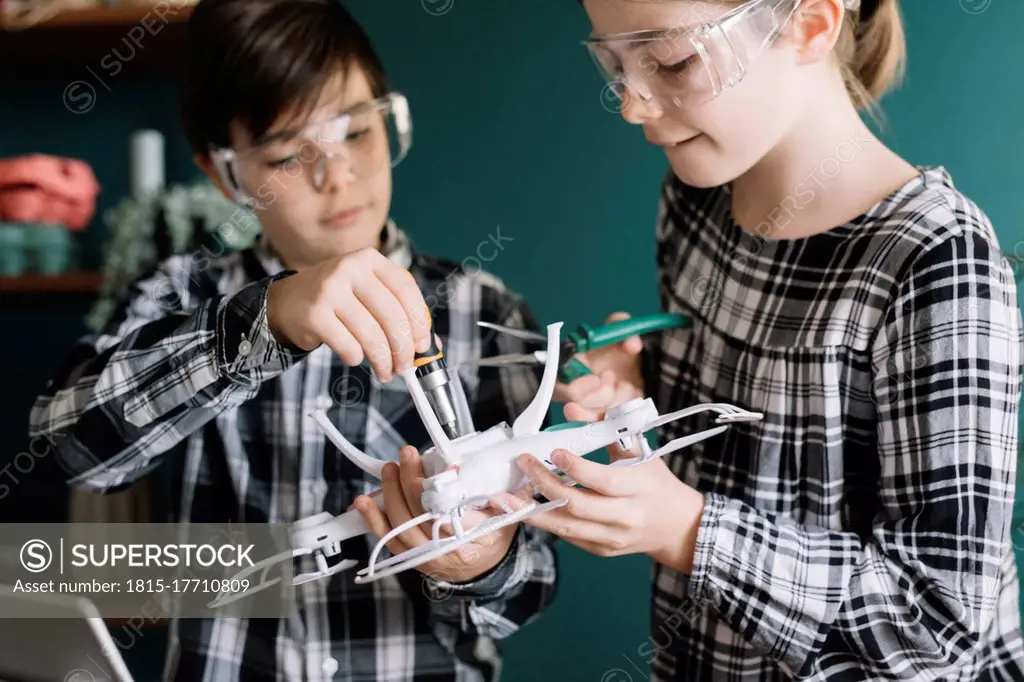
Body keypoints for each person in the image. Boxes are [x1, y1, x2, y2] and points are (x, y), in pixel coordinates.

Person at [28, 0, 557, 679]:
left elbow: (536, 584)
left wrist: (487, 563)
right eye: (285, 154)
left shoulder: (486, 312)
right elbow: (69, 447)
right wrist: (266, 321)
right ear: (224, 175)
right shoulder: (181, 292)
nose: (335, 176)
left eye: (357, 133)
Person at [505, 0, 1024, 680]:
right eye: (615, 63)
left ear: (811, 24)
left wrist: (691, 533)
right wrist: (644, 385)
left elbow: (937, 621)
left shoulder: (934, 262)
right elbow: (762, 427)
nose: (632, 105)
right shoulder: (697, 197)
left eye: (670, 61)